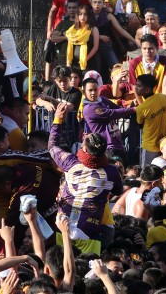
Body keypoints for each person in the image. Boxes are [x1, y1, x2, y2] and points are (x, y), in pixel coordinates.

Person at [49, 102, 123, 254]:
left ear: (83, 149)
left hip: (63, 227)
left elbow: (52, 146)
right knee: (88, 274)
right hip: (90, 231)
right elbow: (118, 189)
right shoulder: (111, 171)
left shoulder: (69, 162)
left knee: (62, 268)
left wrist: (57, 120)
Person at [81, 75, 134, 160]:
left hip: (118, 145)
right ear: (84, 92)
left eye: (95, 90)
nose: (93, 93)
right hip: (107, 148)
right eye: (90, 90)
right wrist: (133, 109)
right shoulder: (89, 108)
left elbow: (117, 108)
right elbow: (112, 113)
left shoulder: (102, 99)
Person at [135, 73, 166, 166]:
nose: (136, 88)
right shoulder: (163, 98)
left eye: (139, 86)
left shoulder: (141, 108)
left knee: (147, 173)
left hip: (149, 147)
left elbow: (139, 125)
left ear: (147, 90)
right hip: (164, 145)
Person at [64, 5, 99, 72]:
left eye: (85, 14)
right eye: (80, 14)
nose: (83, 17)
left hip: (88, 63)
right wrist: (68, 63)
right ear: (77, 16)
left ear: (88, 16)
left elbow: (96, 47)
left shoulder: (93, 29)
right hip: (74, 63)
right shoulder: (73, 29)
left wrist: (85, 59)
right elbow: (67, 35)